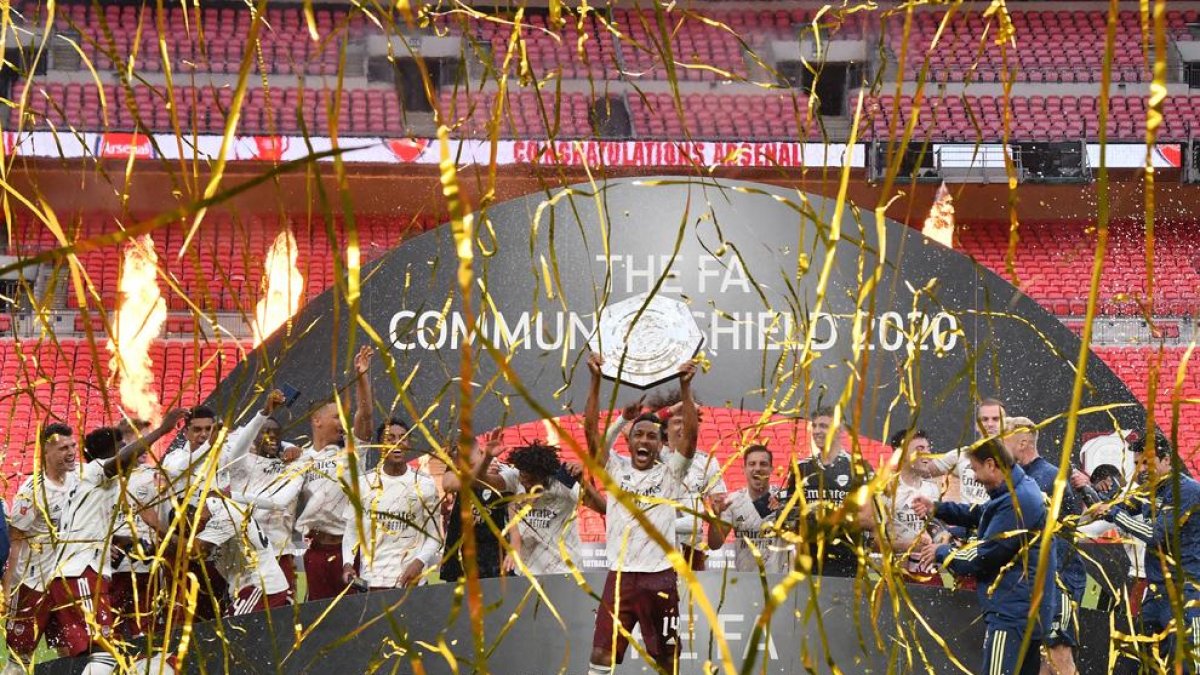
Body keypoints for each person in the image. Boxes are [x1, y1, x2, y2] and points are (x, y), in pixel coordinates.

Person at [584, 353, 698, 675]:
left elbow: (689, 438)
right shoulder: (615, 469)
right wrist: (596, 381)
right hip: (620, 578)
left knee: (667, 661)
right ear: (630, 442)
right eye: (638, 434)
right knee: (600, 655)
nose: (645, 439)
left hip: (661, 577)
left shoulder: (671, 473)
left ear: (661, 444)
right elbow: (591, 433)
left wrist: (685, 387)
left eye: (651, 435)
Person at [52, 410, 186, 675]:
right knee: (104, 654)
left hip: (84, 572)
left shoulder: (92, 481)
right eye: (123, 449)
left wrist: (127, 541)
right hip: (80, 572)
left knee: (106, 651)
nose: (130, 454)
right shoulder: (95, 472)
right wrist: (162, 430)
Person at [914, 438, 1057, 675]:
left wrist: (941, 552)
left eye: (974, 468)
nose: (973, 475)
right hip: (1025, 610)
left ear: (991, 464)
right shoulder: (1016, 491)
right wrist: (937, 509)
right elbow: (982, 513)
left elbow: (984, 555)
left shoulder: (1017, 501)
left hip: (1012, 614)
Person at [1092, 433, 1200, 673]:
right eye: (1136, 464)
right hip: (1156, 594)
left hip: (1187, 594)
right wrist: (1095, 497)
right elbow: (1115, 508)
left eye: (1148, 463)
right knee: (1145, 663)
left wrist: (1113, 513)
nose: (1141, 470)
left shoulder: (1186, 491)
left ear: (1166, 462)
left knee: (1187, 666)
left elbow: (1154, 533)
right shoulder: (1147, 491)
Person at [605, 394, 726, 570]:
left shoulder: (708, 462)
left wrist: (716, 513)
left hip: (692, 552)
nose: (684, 427)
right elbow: (637, 426)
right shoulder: (652, 455)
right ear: (665, 429)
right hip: (655, 550)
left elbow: (715, 510)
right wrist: (670, 410)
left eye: (689, 422)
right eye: (678, 421)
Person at [294, 345, 376, 601]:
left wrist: (362, 378)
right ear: (316, 420)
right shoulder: (301, 458)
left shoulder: (351, 453)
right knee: (317, 620)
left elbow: (366, 416)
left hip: (347, 551)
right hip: (316, 551)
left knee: (352, 619)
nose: (342, 423)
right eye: (336, 417)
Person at [1004, 417, 1084, 675]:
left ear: (1023, 442)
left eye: (1004, 442)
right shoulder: (1023, 477)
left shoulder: (1046, 477)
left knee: (1059, 655)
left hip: (1059, 578)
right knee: (1044, 659)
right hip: (1038, 579)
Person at [4, 423, 80, 672]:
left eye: (73, 446)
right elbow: (16, 541)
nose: (70, 452)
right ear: (46, 451)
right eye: (63, 448)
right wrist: (8, 589)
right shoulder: (31, 493)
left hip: (67, 582)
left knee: (70, 650)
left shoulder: (80, 478)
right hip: (33, 584)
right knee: (20, 655)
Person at [341, 420, 442, 589]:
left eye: (403, 438)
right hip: (373, 581)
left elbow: (433, 536)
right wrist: (347, 563)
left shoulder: (425, 484)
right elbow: (352, 530)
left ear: (409, 444)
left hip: (412, 583)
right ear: (380, 446)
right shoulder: (363, 484)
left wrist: (419, 563)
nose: (397, 443)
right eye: (390, 438)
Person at [225, 395, 305, 593]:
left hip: (281, 552)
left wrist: (229, 496)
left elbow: (279, 503)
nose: (272, 437)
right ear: (254, 437)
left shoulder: (293, 465)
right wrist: (263, 414)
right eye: (265, 433)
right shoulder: (241, 464)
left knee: (284, 614)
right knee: (246, 613)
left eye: (276, 434)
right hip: (248, 555)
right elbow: (239, 445)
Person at [783, 406, 874, 577]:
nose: (817, 431)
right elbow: (793, 520)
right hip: (809, 564)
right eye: (815, 426)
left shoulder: (859, 468)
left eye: (824, 426)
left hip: (848, 562)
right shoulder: (801, 468)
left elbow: (868, 519)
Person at [504, 441, 605, 575]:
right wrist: (487, 457)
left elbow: (603, 508)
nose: (525, 483)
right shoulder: (516, 482)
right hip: (527, 572)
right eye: (524, 478)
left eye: (531, 480)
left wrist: (582, 481)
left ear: (543, 477)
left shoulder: (563, 485)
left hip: (565, 570)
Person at [439, 429, 520, 582]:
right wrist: (481, 469)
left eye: (453, 453)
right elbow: (448, 484)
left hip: (498, 556)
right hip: (466, 555)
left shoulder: (503, 472)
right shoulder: (457, 470)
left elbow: (514, 511)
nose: (452, 459)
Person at [712, 444, 791, 573]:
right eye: (752, 464)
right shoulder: (733, 502)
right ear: (744, 469)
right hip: (746, 582)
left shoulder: (784, 498)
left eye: (763, 464)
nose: (758, 468)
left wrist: (784, 512)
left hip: (778, 583)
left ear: (771, 469)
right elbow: (715, 544)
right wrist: (715, 516)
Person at [925, 398, 1007, 506]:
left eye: (996, 419)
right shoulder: (962, 455)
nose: (990, 424)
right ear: (977, 425)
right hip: (966, 520)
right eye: (985, 419)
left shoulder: (1013, 460)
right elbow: (923, 472)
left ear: (1005, 423)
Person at [879, 430, 945, 561]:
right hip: (896, 572)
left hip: (928, 571)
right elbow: (873, 542)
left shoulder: (932, 489)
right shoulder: (885, 490)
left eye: (928, 448)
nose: (927, 454)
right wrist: (908, 546)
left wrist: (942, 539)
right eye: (920, 449)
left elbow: (936, 527)